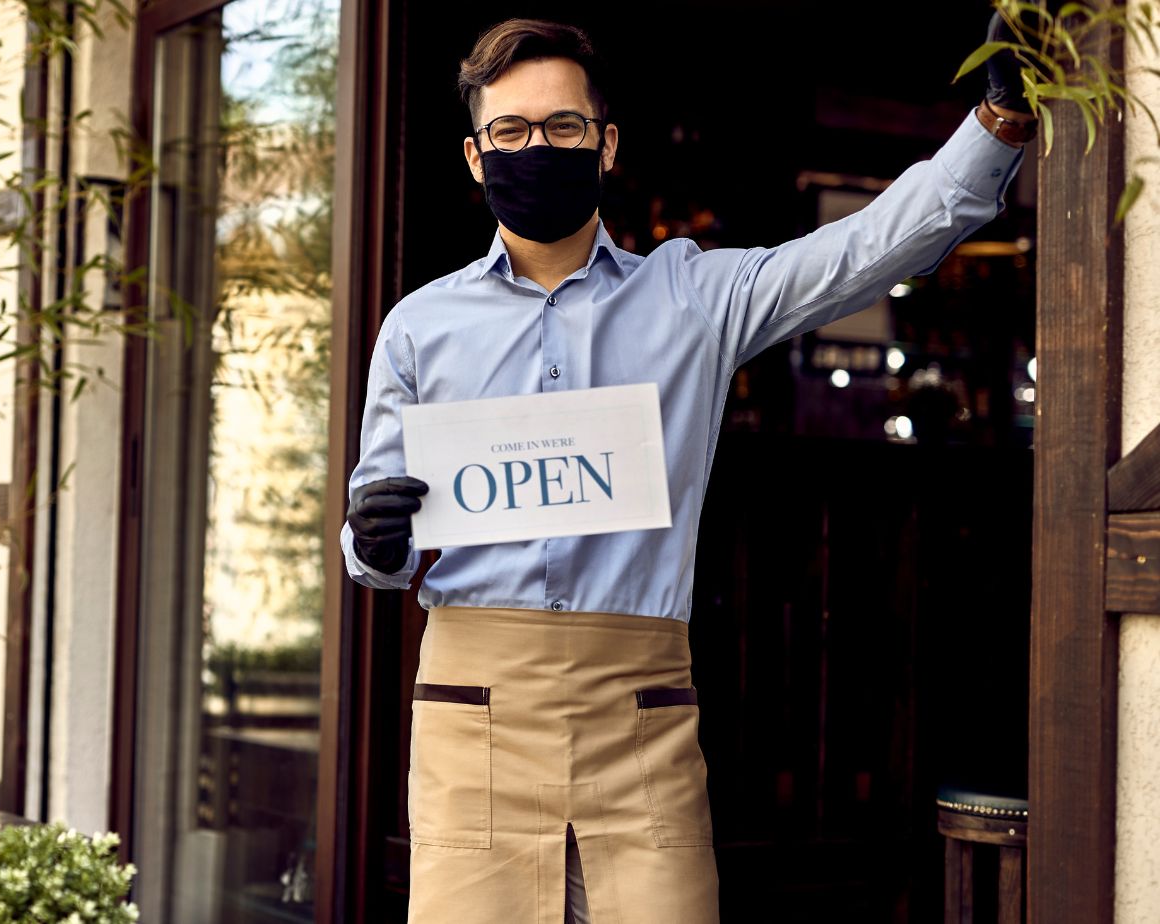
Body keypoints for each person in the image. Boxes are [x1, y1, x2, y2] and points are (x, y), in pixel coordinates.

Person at [339, 15, 1036, 924]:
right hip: (475, 719)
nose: (534, 147)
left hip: (639, 715)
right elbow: (378, 551)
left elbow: (864, 250)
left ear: (606, 144)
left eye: (562, 128)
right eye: (509, 132)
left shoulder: (694, 296)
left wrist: (998, 121)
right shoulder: (416, 327)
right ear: (476, 156)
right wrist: (374, 536)